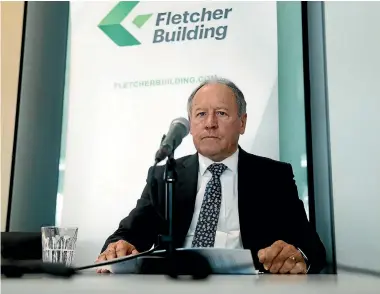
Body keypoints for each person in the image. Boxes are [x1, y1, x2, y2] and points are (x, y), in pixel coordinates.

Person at [96, 77, 326, 274]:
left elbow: (311, 247)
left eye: (222, 113)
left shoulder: (273, 176)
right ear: (191, 125)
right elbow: (128, 233)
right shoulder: (164, 176)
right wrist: (118, 246)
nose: (210, 124)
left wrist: (296, 257)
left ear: (242, 123)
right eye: (201, 114)